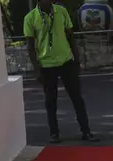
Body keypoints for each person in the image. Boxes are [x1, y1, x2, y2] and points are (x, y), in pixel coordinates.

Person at [24, 0, 99, 143]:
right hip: (46, 64)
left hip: (66, 61)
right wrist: (37, 69)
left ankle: (86, 131)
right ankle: (54, 133)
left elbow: (71, 37)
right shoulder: (30, 18)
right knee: (50, 101)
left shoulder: (61, 12)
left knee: (77, 98)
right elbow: (30, 46)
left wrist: (76, 59)